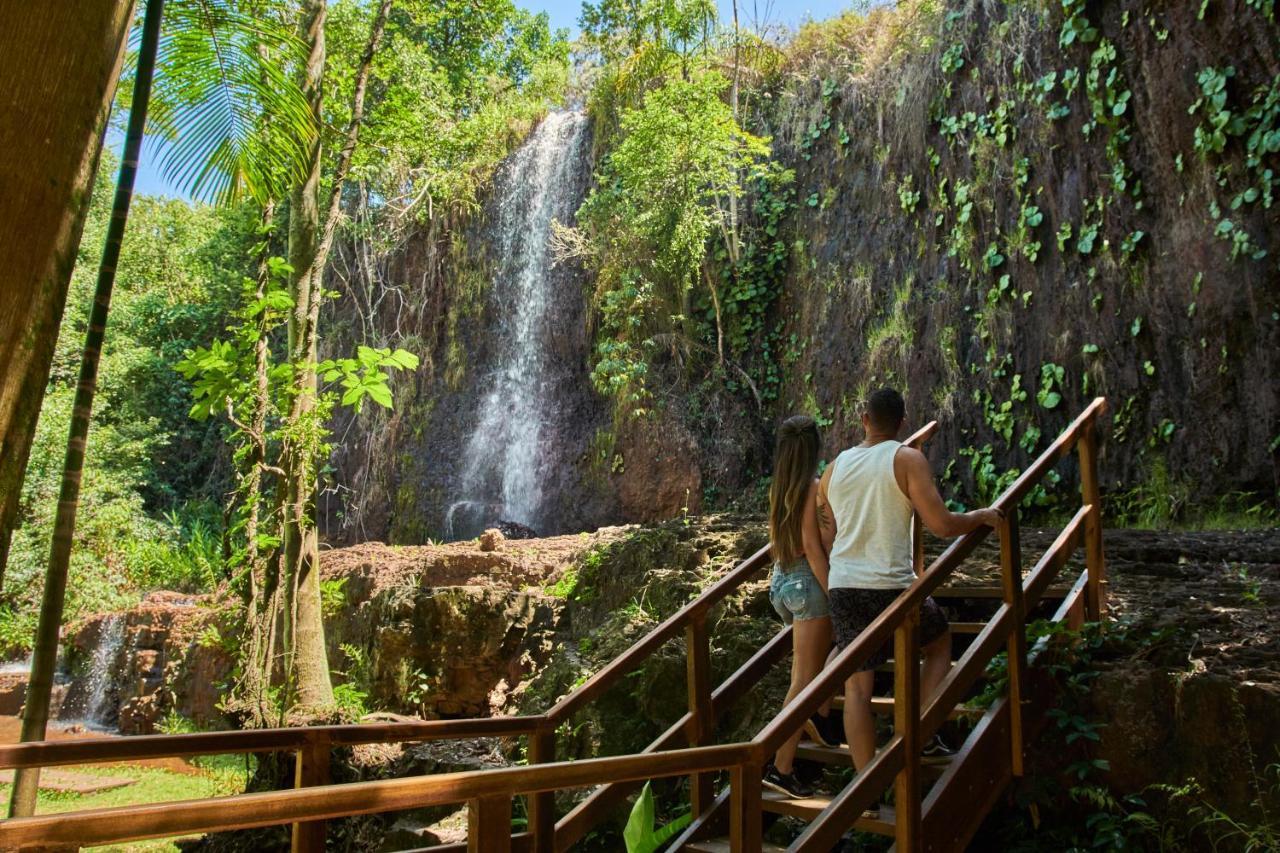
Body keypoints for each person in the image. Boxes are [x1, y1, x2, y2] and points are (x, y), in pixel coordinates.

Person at [818, 387, 1001, 777]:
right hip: (891, 587)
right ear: (902, 423)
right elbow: (941, 524)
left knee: (856, 689)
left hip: (845, 585)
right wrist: (980, 516)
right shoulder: (906, 459)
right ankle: (919, 731)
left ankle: (864, 789)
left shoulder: (834, 467)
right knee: (938, 644)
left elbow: (827, 533)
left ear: (864, 419)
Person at [761, 415, 840, 799]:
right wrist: (835, 595)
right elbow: (812, 547)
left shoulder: (780, 487)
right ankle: (781, 767)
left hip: (782, 583)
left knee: (811, 666)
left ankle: (823, 718)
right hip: (807, 585)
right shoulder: (810, 488)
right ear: (813, 449)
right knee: (802, 682)